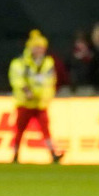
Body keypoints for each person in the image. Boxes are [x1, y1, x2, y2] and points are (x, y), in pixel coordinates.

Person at [9, 29, 63, 163]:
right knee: (20, 129)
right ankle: (15, 154)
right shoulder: (20, 63)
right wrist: (27, 92)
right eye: (37, 47)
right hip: (25, 102)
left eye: (42, 48)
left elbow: (50, 82)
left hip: (40, 103)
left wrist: (45, 97)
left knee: (46, 129)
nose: (40, 50)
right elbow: (16, 79)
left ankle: (53, 153)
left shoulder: (47, 63)